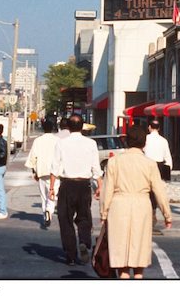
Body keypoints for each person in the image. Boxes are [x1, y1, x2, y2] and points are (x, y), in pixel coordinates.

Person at [100, 125, 172, 279]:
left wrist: (104, 213)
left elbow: (107, 190)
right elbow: (159, 191)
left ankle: (124, 276)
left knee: (121, 251)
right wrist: (167, 215)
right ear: (144, 143)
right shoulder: (150, 164)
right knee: (139, 248)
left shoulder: (114, 162)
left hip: (118, 205)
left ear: (126, 141)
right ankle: (138, 276)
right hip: (142, 205)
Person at [49, 114, 103, 266]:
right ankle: (84, 242)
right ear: (82, 126)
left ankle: (71, 254)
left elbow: (55, 167)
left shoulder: (61, 143)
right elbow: (95, 167)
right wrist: (100, 185)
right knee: (84, 216)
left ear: (68, 127)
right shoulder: (91, 144)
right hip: (84, 185)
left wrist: (52, 187)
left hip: (67, 185)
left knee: (65, 219)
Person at [25, 119, 59, 227]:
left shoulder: (38, 140)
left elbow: (33, 157)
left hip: (41, 171)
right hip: (55, 172)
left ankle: (45, 214)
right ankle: (49, 210)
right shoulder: (57, 140)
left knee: (43, 195)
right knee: (53, 193)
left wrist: (34, 171)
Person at [143, 119, 173, 224]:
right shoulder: (163, 140)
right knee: (157, 191)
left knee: (147, 190)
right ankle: (154, 211)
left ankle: (148, 212)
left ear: (149, 127)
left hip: (146, 165)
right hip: (159, 166)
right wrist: (168, 170)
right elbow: (168, 157)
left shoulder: (146, 139)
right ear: (159, 128)